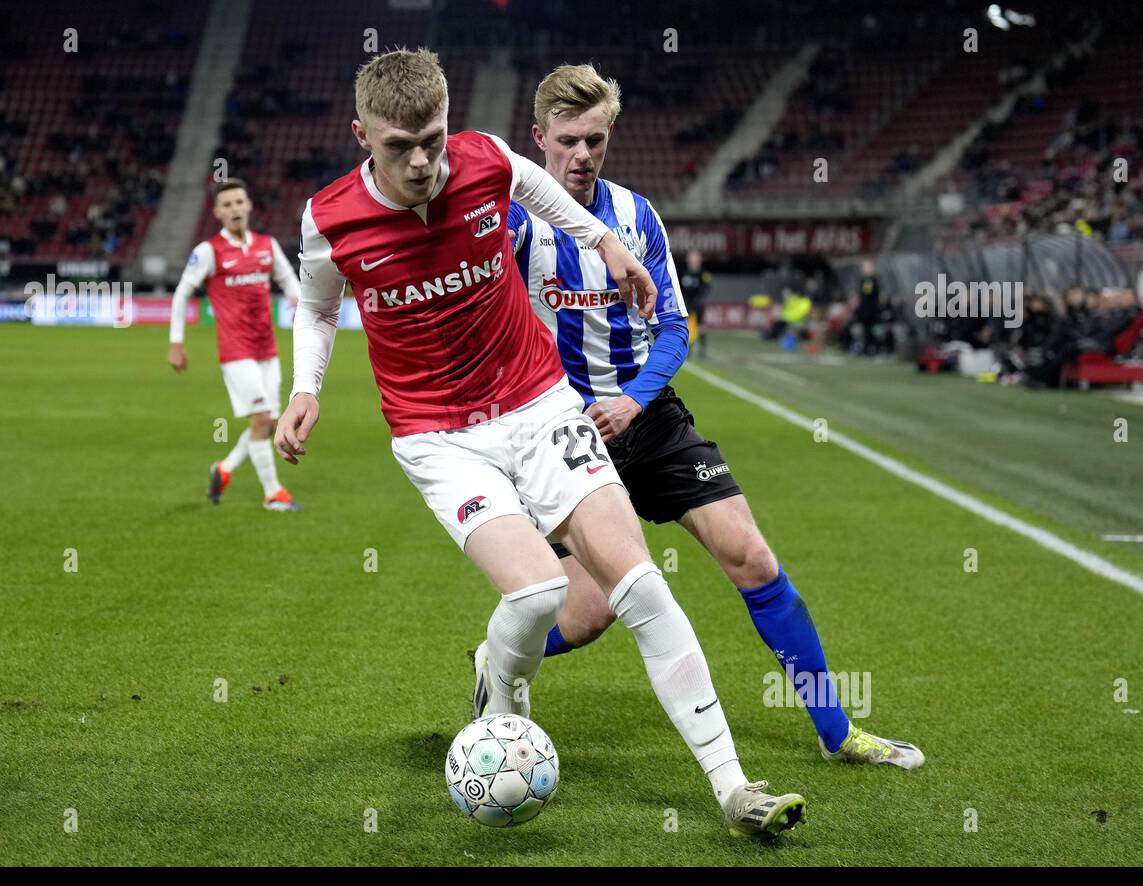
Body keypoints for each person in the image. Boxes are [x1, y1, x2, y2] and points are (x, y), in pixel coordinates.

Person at [275, 48, 805, 836]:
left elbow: (547, 193)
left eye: (434, 139)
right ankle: (503, 680)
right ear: (362, 135)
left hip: (536, 402)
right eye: (399, 146)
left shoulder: (485, 160)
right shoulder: (330, 219)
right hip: (437, 435)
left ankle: (733, 789)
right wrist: (306, 387)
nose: (423, 161)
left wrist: (611, 246)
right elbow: (319, 309)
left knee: (641, 587)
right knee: (538, 594)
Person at [498, 63, 923, 770]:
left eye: (595, 141)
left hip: (650, 417)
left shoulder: (637, 218)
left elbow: (673, 328)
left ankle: (838, 731)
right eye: (568, 140)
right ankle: (496, 657)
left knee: (752, 556)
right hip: (562, 434)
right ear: (538, 138)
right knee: (589, 613)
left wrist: (634, 399)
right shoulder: (516, 224)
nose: (581, 156)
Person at [169, 178, 302, 511]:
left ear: (249, 205)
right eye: (226, 205)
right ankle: (273, 494)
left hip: (267, 349)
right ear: (217, 212)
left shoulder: (266, 246)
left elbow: (290, 281)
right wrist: (176, 343)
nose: (234, 209)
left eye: (239, 202)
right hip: (236, 351)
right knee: (260, 420)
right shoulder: (208, 251)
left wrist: (298, 300)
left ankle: (224, 469)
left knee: (269, 423)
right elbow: (182, 293)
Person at [679, 249, 712, 356]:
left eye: (695, 259)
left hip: (698, 303)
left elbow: (707, 287)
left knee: (700, 326)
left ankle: (702, 350)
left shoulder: (703, 273)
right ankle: (688, 350)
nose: (693, 261)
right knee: (687, 327)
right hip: (687, 303)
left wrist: (700, 299)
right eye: (691, 258)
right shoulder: (684, 272)